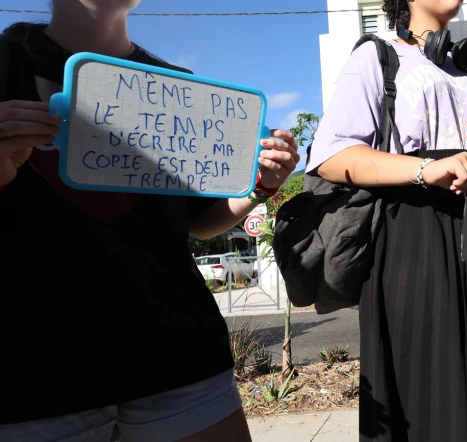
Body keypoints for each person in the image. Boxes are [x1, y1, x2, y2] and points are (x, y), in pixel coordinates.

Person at [0, 1, 299, 441]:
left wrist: (260, 188)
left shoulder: (181, 89)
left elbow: (198, 222)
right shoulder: (7, 65)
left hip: (179, 357)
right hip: (34, 369)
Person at [306, 1, 467, 441]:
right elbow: (331, 156)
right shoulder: (377, 55)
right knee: (432, 386)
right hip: (416, 234)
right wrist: (425, 169)